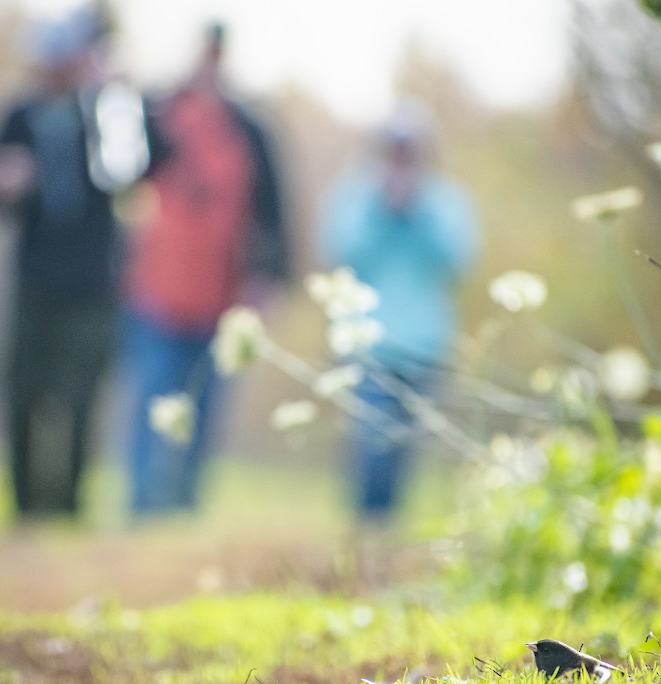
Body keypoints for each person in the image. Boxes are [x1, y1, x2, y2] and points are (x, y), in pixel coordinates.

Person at [0, 7, 146, 521]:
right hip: (34, 282)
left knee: (82, 398)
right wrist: (0, 184)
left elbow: (133, 168)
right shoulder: (20, 117)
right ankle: (24, 504)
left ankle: (69, 506)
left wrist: (112, 97)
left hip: (93, 284)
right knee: (21, 392)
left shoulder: (111, 113)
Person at [122, 21, 289, 517]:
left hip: (220, 296)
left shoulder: (249, 131)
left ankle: (184, 504)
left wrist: (267, 278)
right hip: (154, 290)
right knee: (151, 400)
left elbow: (273, 213)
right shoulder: (157, 114)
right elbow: (124, 170)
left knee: (204, 409)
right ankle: (140, 503)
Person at [320, 100, 480, 532]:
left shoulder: (444, 202)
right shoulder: (355, 197)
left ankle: (385, 533)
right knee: (371, 446)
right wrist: (383, 211)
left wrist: (416, 211)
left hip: (424, 345)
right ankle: (366, 526)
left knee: (405, 449)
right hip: (366, 345)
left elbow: (457, 260)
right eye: (394, 149)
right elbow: (341, 253)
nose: (401, 158)